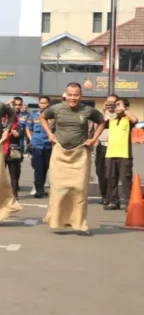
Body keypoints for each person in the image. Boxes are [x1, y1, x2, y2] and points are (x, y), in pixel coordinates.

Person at [40, 83, 105, 231]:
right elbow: (43, 117)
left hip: (80, 155)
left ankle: (77, 222)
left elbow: (102, 122)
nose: (72, 98)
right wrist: (50, 134)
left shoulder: (88, 110)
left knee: (79, 190)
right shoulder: (56, 109)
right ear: (65, 95)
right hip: (60, 154)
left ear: (80, 95)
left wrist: (94, 138)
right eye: (70, 94)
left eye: (76, 95)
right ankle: (57, 220)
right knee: (58, 190)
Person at [104, 98, 138, 211]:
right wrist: (106, 110)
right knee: (110, 178)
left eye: (118, 104)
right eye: (115, 105)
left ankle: (129, 203)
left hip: (124, 154)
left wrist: (124, 110)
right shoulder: (112, 119)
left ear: (126, 107)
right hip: (110, 153)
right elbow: (100, 124)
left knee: (125, 179)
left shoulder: (127, 119)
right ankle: (114, 202)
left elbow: (135, 120)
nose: (116, 106)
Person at [26, 96, 53, 198]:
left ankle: (42, 188)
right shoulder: (33, 115)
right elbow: (28, 128)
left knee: (45, 168)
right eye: (41, 103)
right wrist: (31, 139)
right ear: (39, 104)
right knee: (38, 168)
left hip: (48, 145)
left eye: (45, 103)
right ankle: (38, 190)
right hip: (37, 145)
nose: (43, 105)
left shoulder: (53, 116)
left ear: (48, 104)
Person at [94, 94, 118, 205]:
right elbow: (97, 127)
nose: (109, 104)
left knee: (111, 173)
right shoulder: (101, 114)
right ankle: (103, 195)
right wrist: (103, 112)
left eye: (112, 102)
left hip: (112, 147)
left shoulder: (118, 115)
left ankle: (111, 197)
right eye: (107, 101)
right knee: (100, 172)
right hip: (101, 146)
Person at [4, 98, 26, 200]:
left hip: (13, 152)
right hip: (2, 151)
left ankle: (14, 193)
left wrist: (12, 132)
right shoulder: (3, 125)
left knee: (14, 174)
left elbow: (19, 135)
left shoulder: (18, 125)